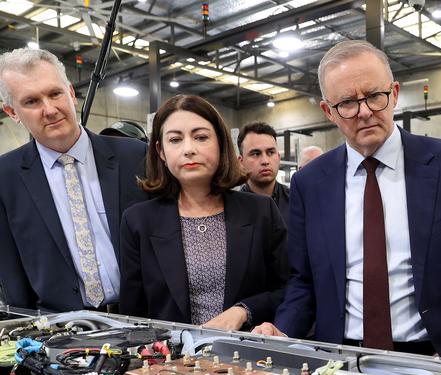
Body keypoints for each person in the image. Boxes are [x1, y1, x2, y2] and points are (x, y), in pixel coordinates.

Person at [253, 40, 441, 359]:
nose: (364, 112)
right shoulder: (310, 183)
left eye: (375, 96)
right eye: (347, 102)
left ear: (395, 93)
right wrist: (282, 332)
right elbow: (303, 279)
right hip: (341, 358)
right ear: (328, 111)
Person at [119, 95, 288, 330]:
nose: (189, 149)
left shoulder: (261, 211)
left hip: (246, 356)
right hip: (169, 361)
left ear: (220, 142)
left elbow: (288, 288)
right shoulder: (138, 221)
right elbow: (133, 313)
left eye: (200, 137)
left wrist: (244, 310)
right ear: (161, 151)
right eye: (175, 140)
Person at [0, 48, 146, 312]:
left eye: (55, 94)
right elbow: (11, 271)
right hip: (60, 331)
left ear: (71, 93)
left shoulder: (136, 157)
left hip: (144, 321)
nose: (50, 109)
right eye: (31, 101)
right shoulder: (5, 177)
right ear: (12, 112)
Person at [237, 122, 290, 224]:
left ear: (278, 157)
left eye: (270, 152)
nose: (265, 161)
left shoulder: (296, 201)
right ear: (241, 161)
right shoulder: (231, 208)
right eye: (256, 154)